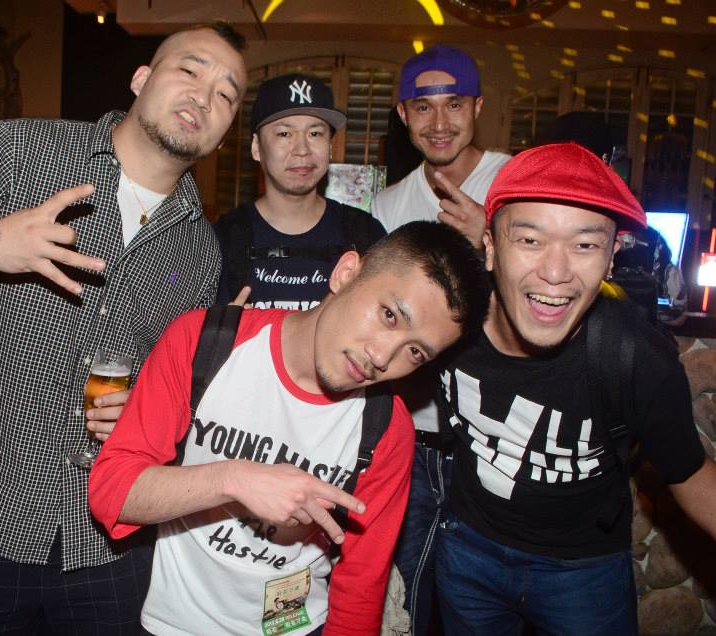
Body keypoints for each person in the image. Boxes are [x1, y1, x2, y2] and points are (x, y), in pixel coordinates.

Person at [0, 23, 248, 634]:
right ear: (141, 79)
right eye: (190, 69)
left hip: (110, 538)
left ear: (226, 130)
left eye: (227, 94)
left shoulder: (200, 252)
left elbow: (168, 393)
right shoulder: (20, 151)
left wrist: (148, 409)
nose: (204, 95)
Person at [89, 221, 491, 635]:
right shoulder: (205, 341)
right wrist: (235, 479)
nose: (381, 356)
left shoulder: (387, 428)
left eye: (415, 352)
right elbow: (112, 493)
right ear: (346, 273)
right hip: (175, 624)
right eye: (389, 315)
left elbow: (360, 588)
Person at [435, 142, 716, 635]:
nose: (555, 272)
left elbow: (690, 473)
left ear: (610, 260)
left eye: (585, 245)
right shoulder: (446, 322)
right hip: (468, 552)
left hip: (584, 574)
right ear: (490, 246)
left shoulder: (636, 356)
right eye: (530, 240)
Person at [368, 43, 510, 636]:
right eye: (423, 107)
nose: (439, 122)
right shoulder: (387, 204)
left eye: (454, 104)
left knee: (488, 605)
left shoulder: (515, 181)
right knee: (408, 599)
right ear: (403, 115)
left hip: (498, 441)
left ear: (477, 106)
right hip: (417, 437)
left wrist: (492, 241)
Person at [214, 73, 385, 309]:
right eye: (284, 134)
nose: (302, 149)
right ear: (256, 147)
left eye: (315, 133)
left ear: (330, 147)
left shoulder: (366, 235)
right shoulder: (222, 240)